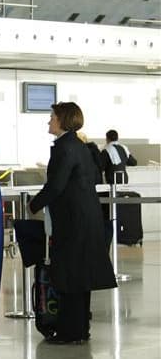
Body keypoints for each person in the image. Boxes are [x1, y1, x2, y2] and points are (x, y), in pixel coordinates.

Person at [29, 102, 117, 344]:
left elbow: (56, 185)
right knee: (81, 277)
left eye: (52, 117)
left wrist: (34, 204)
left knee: (69, 276)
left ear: (62, 120)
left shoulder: (64, 147)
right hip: (86, 218)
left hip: (72, 221)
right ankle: (80, 330)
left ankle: (69, 332)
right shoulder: (79, 146)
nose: (49, 121)